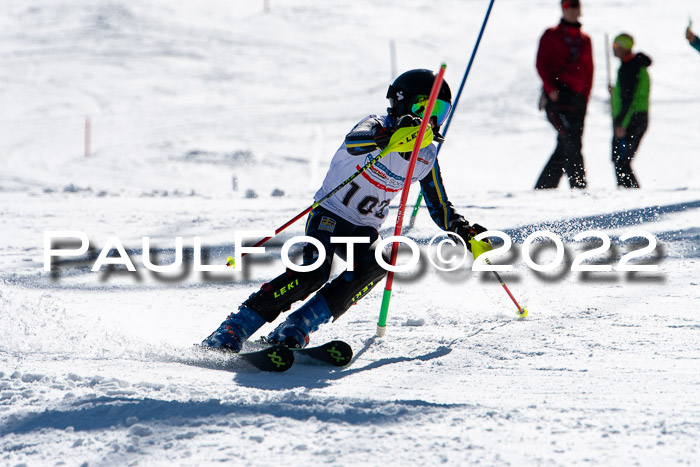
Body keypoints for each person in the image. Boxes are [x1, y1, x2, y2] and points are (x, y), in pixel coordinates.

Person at [201, 69, 487, 352]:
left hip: (363, 229)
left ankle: (296, 326)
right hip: (329, 213)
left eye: (440, 111)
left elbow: (440, 207)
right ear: (401, 103)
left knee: (378, 263)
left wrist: (465, 232)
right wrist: (386, 138)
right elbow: (355, 142)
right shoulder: (375, 124)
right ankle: (234, 327)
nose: (431, 119)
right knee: (313, 272)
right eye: (424, 108)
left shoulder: (426, 156)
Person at [534, 0, 593, 189]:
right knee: (569, 137)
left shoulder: (585, 40)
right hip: (558, 97)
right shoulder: (551, 35)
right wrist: (550, 89)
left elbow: (589, 71)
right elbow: (541, 64)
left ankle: (544, 187)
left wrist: (585, 99)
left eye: (576, 5)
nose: (574, 9)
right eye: (570, 5)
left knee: (568, 141)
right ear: (562, 8)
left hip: (577, 99)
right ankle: (578, 185)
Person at [608, 33, 651, 188]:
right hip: (635, 118)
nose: (613, 49)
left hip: (632, 119)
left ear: (624, 47)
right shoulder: (633, 66)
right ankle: (629, 194)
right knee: (621, 160)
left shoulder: (630, 67)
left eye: (616, 46)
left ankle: (631, 196)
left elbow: (629, 99)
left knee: (621, 160)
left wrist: (621, 124)